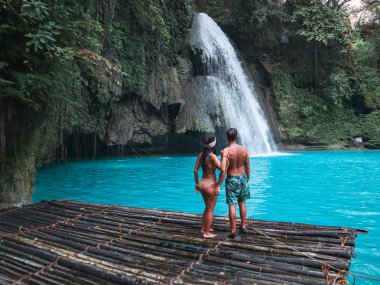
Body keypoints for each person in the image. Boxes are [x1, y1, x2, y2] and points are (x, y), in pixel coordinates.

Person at [194, 134, 227, 238]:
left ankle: (204, 228)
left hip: (202, 184)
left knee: (207, 207)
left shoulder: (201, 154)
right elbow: (222, 169)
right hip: (210, 184)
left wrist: (197, 184)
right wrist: (224, 156)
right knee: (210, 209)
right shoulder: (212, 156)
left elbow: (195, 170)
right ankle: (206, 233)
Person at [220, 128, 250, 238]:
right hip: (243, 177)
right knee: (242, 202)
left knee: (232, 204)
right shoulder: (244, 150)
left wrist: (218, 184)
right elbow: (247, 166)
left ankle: (233, 230)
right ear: (237, 137)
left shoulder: (226, 151)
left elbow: (223, 170)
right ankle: (243, 226)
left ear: (226, 137)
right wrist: (248, 178)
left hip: (232, 178)